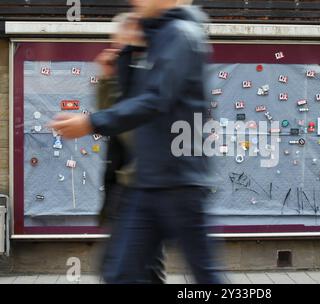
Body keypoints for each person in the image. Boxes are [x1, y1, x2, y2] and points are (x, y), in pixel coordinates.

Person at [50, 0, 221, 284]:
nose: (135, 2)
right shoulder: (156, 38)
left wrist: (91, 122)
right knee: (120, 273)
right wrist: (123, 57)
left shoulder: (181, 35)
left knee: (204, 276)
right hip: (147, 183)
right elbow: (133, 101)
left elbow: (154, 100)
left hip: (180, 182)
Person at [95, 13, 166, 284]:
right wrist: (108, 79)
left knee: (138, 268)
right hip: (125, 185)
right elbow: (110, 123)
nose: (114, 50)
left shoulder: (150, 72)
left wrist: (111, 81)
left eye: (119, 43)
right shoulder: (129, 72)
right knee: (120, 267)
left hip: (145, 186)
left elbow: (123, 123)